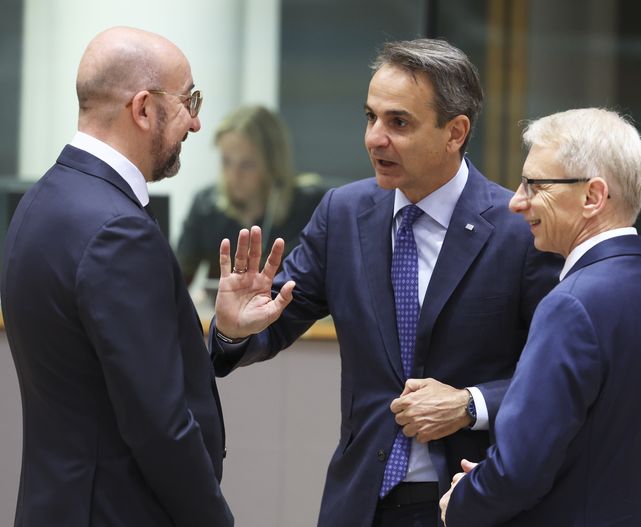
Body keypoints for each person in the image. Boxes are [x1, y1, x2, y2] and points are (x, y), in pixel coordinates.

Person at [210, 38, 561, 526]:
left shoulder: (519, 229)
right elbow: (272, 321)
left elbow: (556, 376)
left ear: (455, 132)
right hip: (362, 503)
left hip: (471, 499)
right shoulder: (343, 214)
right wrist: (235, 330)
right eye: (370, 117)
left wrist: (471, 404)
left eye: (398, 123)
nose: (375, 138)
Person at [0, 26, 293, 526]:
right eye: (188, 101)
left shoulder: (42, 200)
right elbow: (159, 424)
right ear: (142, 109)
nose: (196, 123)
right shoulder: (118, 230)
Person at [438, 108, 641, 526]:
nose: (516, 202)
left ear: (593, 197)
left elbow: (519, 471)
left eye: (535, 184)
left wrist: (463, 499)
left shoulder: (571, 305)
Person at [176, 105, 324, 286]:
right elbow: (178, 280)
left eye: (247, 165)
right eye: (226, 161)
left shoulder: (310, 207)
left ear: (273, 165)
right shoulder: (205, 206)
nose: (233, 176)